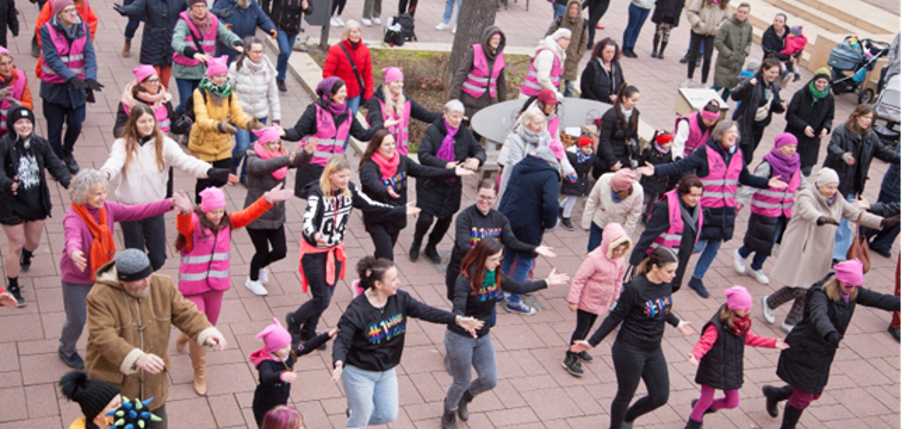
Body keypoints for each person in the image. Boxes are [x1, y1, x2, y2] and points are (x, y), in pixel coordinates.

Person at [635, 121, 784, 298]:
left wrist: (767, 183)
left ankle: (697, 278)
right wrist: (657, 170)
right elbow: (682, 166)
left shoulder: (737, 153)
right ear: (720, 134)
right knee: (693, 246)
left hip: (725, 212)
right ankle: (662, 264)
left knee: (714, 247)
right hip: (705, 210)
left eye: (736, 133)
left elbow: (745, 177)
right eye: (731, 132)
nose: (734, 136)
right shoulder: (705, 152)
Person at [332, 257, 484, 429]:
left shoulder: (400, 299)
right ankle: (356, 418)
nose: (399, 282)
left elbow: (425, 311)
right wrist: (338, 360)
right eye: (393, 279)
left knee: (387, 414)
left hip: (387, 370)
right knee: (360, 420)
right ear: (378, 284)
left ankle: (355, 415)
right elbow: (342, 339)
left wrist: (456, 319)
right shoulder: (357, 311)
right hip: (359, 372)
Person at [86, 249, 229, 428]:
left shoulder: (162, 284)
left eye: (149, 275)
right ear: (123, 281)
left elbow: (185, 312)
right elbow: (103, 336)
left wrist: (206, 331)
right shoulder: (99, 296)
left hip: (153, 386)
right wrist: (136, 357)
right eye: (140, 279)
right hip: (116, 390)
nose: (148, 282)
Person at [60, 171, 185, 370]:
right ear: (83, 195)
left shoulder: (108, 209)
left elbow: (138, 211)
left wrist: (168, 203)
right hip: (77, 276)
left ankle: (112, 347)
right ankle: (66, 348)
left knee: (111, 312)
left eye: (103, 192)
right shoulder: (73, 216)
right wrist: (74, 253)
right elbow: (72, 237)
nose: (102, 197)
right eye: (96, 194)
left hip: (102, 272)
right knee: (78, 318)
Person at [173, 185, 290, 395]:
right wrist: (185, 212)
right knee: (202, 331)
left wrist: (267, 199)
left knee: (209, 324)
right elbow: (184, 228)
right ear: (203, 210)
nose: (218, 216)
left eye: (220, 211)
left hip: (216, 286)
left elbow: (248, 214)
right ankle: (200, 373)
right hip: (193, 287)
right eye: (213, 212)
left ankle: (186, 332)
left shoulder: (227, 222)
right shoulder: (194, 223)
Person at [286, 156, 411, 348]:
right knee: (322, 298)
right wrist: (314, 235)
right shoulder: (316, 193)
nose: (345, 180)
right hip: (314, 252)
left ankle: (308, 330)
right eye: (341, 176)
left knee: (326, 295)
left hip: (335, 251)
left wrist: (400, 210)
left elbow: (370, 205)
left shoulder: (349, 189)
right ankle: (294, 320)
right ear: (330, 175)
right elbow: (308, 221)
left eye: (347, 176)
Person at [443, 239, 568, 429]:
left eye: (500, 258)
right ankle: (449, 412)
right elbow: (458, 306)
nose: (497, 263)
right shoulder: (465, 279)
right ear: (482, 257)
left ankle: (465, 398)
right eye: (494, 259)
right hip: (461, 336)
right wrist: (463, 320)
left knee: (489, 380)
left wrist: (547, 283)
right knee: (461, 381)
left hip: (483, 335)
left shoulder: (495, 275)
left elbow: (518, 287)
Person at [762, 259, 901, 429]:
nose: (852, 288)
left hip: (823, 350)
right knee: (804, 396)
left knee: (813, 393)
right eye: (849, 285)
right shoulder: (820, 293)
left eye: (855, 285)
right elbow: (819, 314)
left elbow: (881, 300)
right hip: (804, 348)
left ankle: (776, 393)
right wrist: (830, 332)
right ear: (839, 280)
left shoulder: (852, 291)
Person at [571, 247, 695, 429]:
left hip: (653, 348)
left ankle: (627, 418)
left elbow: (661, 308)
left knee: (660, 396)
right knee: (625, 395)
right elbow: (615, 316)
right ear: (655, 267)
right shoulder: (636, 287)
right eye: (669, 271)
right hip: (630, 349)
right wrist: (591, 342)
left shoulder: (666, 284)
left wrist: (677, 323)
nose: (673, 275)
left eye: (675, 271)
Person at [101, 104, 231, 271]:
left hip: (154, 207)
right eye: (142, 122)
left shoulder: (164, 143)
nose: (148, 125)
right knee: (135, 254)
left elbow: (185, 162)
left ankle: (142, 276)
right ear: (133, 123)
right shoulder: (123, 143)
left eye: (150, 121)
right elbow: (114, 162)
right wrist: (104, 175)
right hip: (128, 208)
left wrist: (209, 170)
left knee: (158, 257)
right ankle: (139, 284)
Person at [766, 168, 896, 332]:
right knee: (801, 286)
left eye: (835, 187)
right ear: (819, 185)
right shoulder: (807, 195)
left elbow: (854, 214)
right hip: (803, 246)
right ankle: (771, 303)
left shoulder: (837, 198)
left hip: (821, 249)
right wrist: (820, 218)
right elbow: (807, 210)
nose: (833, 191)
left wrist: (882, 222)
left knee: (810, 285)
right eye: (829, 187)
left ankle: (790, 320)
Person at [684, 286, 788, 429]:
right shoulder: (716, 326)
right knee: (705, 399)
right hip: (712, 368)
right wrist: (696, 355)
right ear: (734, 308)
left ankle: (701, 407)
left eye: (749, 308)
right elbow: (705, 342)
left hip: (730, 368)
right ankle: (694, 421)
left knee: (732, 402)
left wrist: (772, 343)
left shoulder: (740, 324)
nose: (748, 311)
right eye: (745, 309)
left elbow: (749, 338)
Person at [359, 130, 471, 261]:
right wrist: (386, 190)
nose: (391, 147)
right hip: (378, 217)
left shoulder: (402, 161)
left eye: (393, 143)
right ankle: (375, 276)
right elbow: (372, 183)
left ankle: (371, 275)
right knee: (387, 257)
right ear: (377, 146)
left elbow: (424, 171)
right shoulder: (369, 166)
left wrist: (452, 172)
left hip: (397, 214)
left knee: (383, 254)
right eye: (386, 145)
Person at [0, 106, 70, 307]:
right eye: (20, 123)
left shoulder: (40, 143)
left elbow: (55, 164)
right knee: (16, 243)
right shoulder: (4, 145)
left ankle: (27, 255)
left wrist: (69, 182)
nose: (24, 126)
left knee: (33, 242)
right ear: (12, 125)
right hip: (10, 204)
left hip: (35, 202)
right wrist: (7, 183)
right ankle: (13, 286)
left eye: (28, 122)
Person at [446, 179, 556, 301]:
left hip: (488, 274)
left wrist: (534, 248)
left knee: (488, 316)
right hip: (464, 272)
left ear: (496, 197)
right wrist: (485, 257)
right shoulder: (465, 217)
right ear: (476, 194)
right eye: (481, 196)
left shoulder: (500, 219)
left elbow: (511, 242)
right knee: (462, 312)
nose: (485, 201)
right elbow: (463, 245)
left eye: (490, 198)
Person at [822, 104, 901, 261]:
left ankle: (837, 255)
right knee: (832, 216)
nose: (868, 121)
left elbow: (884, 153)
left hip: (853, 184)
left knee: (844, 219)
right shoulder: (842, 131)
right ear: (857, 116)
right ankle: (832, 252)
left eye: (871, 119)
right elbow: (833, 147)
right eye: (865, 117)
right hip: (835, 181)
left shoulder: (871, 137)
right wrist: (843, 155)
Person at [411, 100, 485, 263]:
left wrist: (477, 159)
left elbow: (478, 150)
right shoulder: (433, 131)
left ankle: (431, 246)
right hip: (430, 181)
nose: (457, 120)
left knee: (446, 219)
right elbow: (423, 155)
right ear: (445, 115)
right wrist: (445, 165)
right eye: (454, 116)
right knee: (426, 219)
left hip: (451, 184)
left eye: (460, 117)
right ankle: (416, 242)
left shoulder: (465, 133)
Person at [243, 127, 313, 296]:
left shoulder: (280, 159)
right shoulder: (253, 160)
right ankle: (252, 280)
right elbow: (265, 166)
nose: (275, 146)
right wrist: (286, 160)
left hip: (276, 214)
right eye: (271, 143)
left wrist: (307, 153)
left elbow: (297, 162)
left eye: (277, 143)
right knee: (262, 252)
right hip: (256, 214)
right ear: (263, 143)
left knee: (280, 251)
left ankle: (260, 268)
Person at [281, 77, 379, 198]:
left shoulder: (347, 113)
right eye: (341, 91)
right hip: (314, 168)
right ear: (331, 94)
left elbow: (362, 135)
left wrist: (380, 125)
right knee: (317, 204)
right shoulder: (314, 110)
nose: (345, 95)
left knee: (331, 204)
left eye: (345, 91)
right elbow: (297, 132)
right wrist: (283, 133)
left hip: (335, 168)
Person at [40, 0, 103, 175]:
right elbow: (52, 59)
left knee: (76, 124)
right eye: (68, 11)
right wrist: (71, 77)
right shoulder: (47, 30)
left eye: (74, 10)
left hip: (77, 87)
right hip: (54, 88)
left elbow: (89, 54)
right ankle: (56, 160)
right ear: (59, 14)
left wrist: (90, 78)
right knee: (54, 129)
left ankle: (67, 152)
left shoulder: (82, 27)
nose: (74, 13)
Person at [188, 55, 263, 201]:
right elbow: (202, 120)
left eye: (223, 76)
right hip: (203, 142)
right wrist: (219, 126)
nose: (221, 79)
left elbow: (237, 115)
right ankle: (201, 206)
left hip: (222, 143)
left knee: (222, 177)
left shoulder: (229, 92)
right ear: (210, 76)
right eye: (217, 76)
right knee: (204, 179)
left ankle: (210, 199)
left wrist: (249, 123)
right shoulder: (200, 93)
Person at [733, 133, 805, 285]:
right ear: (779, 147)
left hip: (783, 211)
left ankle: (756, 267)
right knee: (756, 237)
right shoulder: (768, 164)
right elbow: (754, 183)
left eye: (795, 147)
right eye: (789, 146)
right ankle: (741, 254)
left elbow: (802, 183)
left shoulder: (795, 163)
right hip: (764, 209)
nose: (793, 150)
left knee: (770, 242)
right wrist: (741, 201)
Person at [498, 147, 562, 315]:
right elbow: (551, 204)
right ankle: (514, 301)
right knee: (525, 260)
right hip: (530, 224)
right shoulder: (549, 174)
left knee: (508, 254)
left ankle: (497, 291)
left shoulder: (521, 165)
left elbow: (507, 189)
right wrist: (549, 223)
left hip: (509, 217)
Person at [563, 224, 631, 376]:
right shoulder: (594, 258)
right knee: (581, 328)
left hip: (601, 300)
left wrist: (615, 296)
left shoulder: (620, 259)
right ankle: (571, 355)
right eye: (616, 250)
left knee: (589, 327)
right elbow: (579, 279)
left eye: (621, 250)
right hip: (588, 300)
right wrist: (573, 300)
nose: (618, 253)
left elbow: (619, 279)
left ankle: (580, 349)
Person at [250, 319, 336, 426]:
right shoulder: (266, 363)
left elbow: (306, 347)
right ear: (273, 349)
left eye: (289, 344)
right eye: (284, 347)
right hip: (265, 406)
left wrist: (327, 335)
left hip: (280, 400)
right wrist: (281, 375)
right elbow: (266, 376)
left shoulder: (288, 352)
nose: (289, 348)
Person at [629, 175, 705, 292]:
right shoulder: (665, 207)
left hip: (678, 261)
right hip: (660, 261)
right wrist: (636, 258)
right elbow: (648, 234)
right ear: (682, 193)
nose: (696, 199)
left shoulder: (695, 208)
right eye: (692, 195)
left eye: (699, 195)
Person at [170, 0, 243, 116]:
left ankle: (187, 127)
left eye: (203, 6)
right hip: (184, 69)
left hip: (202, 69)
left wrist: (238, 43)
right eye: (197, 6)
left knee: (198, 102)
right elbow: (176, 41)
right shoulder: (184, 22)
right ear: (191, 8)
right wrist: (192, 53)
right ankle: (174, 117)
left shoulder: (212, 20)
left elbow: (226, 34)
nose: (200, 9)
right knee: (186, 103)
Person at [229, 36, 281, 183]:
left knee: (255, 149)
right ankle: (232, 165)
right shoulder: (236, 67)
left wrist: (276, 117)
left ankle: (246, 174)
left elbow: (273, 94)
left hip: (260, 115)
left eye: (261, 52)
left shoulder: (268, 69)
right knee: (242, 146)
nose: (259, 55)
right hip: (242, 115)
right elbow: (228, 90)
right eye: (255, 52)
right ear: (247, 52)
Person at [368, 67, 442, 156]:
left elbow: (425, 115)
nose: (400, 85)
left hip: (401, 153)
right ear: (388, 83)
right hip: (380, 150)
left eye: (401, 81)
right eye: (396, 82)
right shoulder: (376, 100)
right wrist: (383, 125)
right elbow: (375, 121)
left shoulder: (406, 100)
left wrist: (447, 116)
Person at [113, 0, 186, 89]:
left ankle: (161, 101)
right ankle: (150, 100)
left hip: (170, 44)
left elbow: (189, 12)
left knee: (164, 82)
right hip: (152, 43)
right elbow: (137, 7)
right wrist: (126, 10)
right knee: (152, 81)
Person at [323, 21, 373, 150]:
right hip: (338, 95)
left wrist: (368, 95)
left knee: (349, 123)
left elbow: (368, 74)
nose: (356, 35)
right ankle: (331, 147)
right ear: (347, 33)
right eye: (353, 32)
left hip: (354, 95)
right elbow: (328, 73)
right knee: (335, 122)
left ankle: (341, 150)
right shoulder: (336, 50)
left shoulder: (364, 51)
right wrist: (332, 92)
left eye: (358, 32)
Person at [731, 58, 787, 165]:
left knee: (748, 154)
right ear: (764, 70)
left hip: (760, 126)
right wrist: (748, 85)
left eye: (776, 72)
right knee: (745, 156)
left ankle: (736, 174)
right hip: (746, 123)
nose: (774, 75)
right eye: (771, 72)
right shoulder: (753, 82)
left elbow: (774, 105)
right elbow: (735, 95)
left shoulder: (773, 86)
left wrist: (781, 106)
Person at [449, 26, 508, 121]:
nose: (497, 41)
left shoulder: (500, 56)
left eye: (499, 39)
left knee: (481, 129)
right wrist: (454, 98)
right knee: (463, 126)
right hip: (469, 100)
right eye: (494, 38)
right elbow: (461, 74)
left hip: (487, 102)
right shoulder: (474, 51)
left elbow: (501, 82)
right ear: (488, 39)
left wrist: (503, 103)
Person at [784, 68, 835, 177]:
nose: (821, 85)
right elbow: (790, 115)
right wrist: (804, 127)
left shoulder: (829, 98)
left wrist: (826, 127)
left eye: (824, 82)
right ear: (814, 80)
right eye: (819, 82)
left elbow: (829, 117)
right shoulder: (800, 95)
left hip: (812, 140)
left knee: (806, 171)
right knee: (788, 168)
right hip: (795, 136)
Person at [497, 108, 554, 203]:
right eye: (536, 123)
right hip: (516, 179)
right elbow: (518, 164)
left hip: (538, 180)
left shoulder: (546, 136)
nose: (540, 126)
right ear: (527, 123)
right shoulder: (516, 138)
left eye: (542, 123)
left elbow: (551, 157)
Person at [582, 169, 643, 252]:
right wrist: (586, 223)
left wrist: (624, 235)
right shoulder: (604, 179)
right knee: (593, 251)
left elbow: (633, 216)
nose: (610, 185)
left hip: (616, 230)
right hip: (599, 223)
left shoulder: (638, 191)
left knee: (610, 255)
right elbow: (592, 201)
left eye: (613, 186)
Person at [113, 66, 180, 138]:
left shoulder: (164, 99)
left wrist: (182, 125)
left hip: (163, 145)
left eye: (157, 80)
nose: (156, 84)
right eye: (152, 81)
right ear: (141, 83)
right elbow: (118, 130)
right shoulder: (130, 102)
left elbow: (173, 122)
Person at [593, 85, 641, 178]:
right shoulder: (610, 116)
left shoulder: (635, 113)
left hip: (624, 155)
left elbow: (634, 136)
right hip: (609, 157)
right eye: (633, 100)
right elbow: (604, 140)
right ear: (624, 99)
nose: (635, 103)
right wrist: (612, 162)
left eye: (637, 101)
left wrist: (635, 157)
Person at [683, 0, 730, 88]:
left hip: (712, 33)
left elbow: (728, 18)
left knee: (708, 57)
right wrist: (698, 22)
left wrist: (720, 26)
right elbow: (691, 11)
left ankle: (704, 82)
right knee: (693, 55)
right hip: (698, 30)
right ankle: (689, 78)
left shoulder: (725, 4)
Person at [211, 0, 276, 63]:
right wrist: (223, 26)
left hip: (246, 45)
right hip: (227, 46)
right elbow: (213, 17)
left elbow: (263, 19)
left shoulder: (252, 4)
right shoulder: (223, 2)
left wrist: (271, 28)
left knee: (244, 68)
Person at [546, 0, 589, 98]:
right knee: (554, 85)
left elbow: (584, 42)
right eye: (572, 8)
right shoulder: (561, 20)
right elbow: (550, 35)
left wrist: (578, 56)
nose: (574, 11)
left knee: (570, 86)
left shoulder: (583, 23)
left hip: (572, 60)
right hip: (558, 58)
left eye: (576, 9)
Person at [866, 141, 900, 258]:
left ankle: (883, 243)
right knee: (885, 212)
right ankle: (864, 233)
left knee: (897, 218)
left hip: (895, 184)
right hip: (895, 185)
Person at [270, 0, 312, 92]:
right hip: (279, 26)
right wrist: (267, 18)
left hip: (293, 28)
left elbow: (310, 9)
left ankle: (277, 73)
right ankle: (280, 77)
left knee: (287, 54)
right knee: (285, 51)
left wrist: (306, 8)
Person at [713, 2, 752, 99]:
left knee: (730, 87)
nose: (742, 14)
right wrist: (729, 54)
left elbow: (749, 41)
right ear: (736, 11)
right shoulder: (727, 25)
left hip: (738, 63)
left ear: (748, 14)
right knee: (718, 86)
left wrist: (745, 52)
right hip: (725, 62)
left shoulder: (749, 26)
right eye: (740, 11)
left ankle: (722, 107)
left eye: (744, 12)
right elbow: (718, 42)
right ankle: (703, 101)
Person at [520, 29, 570, 100]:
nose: (568, 42)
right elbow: (542, 78)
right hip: (531, 96)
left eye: (569, 40)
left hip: (542, 96)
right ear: (558, 38)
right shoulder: (547, 54)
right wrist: (554, 92)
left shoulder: (559, 55)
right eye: (565, 39)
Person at [560, 136, 596, 230]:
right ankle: (566, 217)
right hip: (572, 178)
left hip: (581, 179)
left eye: (590, 147)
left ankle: (560, 207)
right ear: (580, 147)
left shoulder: (590, 156)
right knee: (572, 197)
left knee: (572, 196)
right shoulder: (571, 155)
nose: (588, 150)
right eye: (586, 147)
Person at [639, 131, 675, 222]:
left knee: (653, 202)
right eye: (667, 142)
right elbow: (642, 160)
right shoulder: (650, 150)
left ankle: (647, 216)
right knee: (644, 199)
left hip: (661, 182)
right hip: (649, 181)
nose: (670, 144)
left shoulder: (668, 153)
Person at [0, 48, 34, 140]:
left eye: (10, 62)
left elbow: (29, 105)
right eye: (2, 64)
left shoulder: (20, 78)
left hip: (12, 130)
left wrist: (19, 105)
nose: (8, 67)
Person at [579, 38, 624, 104]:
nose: (610, 55)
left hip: (611, 104)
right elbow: (585, 87)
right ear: (601, 51)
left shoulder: (616, 65)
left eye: (612, 52)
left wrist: (617, 96)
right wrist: (595, 101)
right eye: (607, 52)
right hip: (594, 103)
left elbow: (622, 83)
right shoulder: (593, 65)